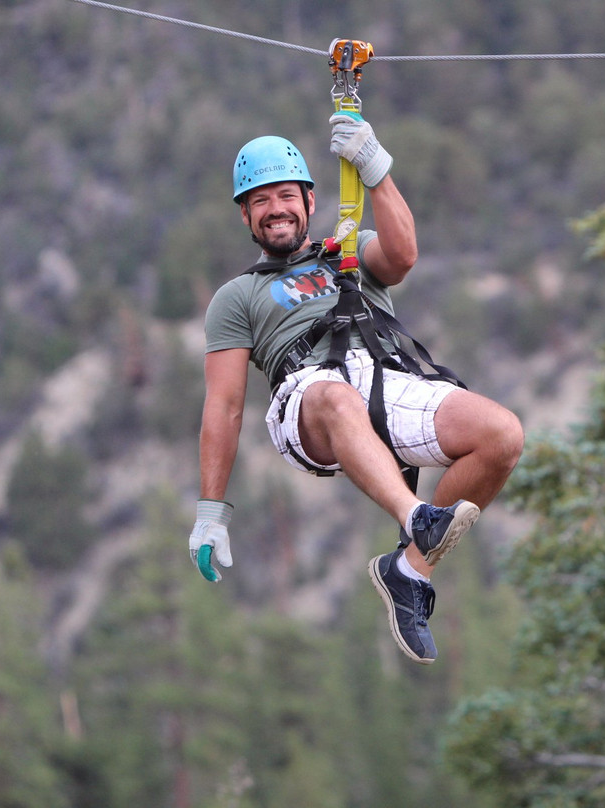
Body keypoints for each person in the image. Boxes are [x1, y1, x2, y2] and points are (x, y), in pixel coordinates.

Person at [188, 112, 524, 664]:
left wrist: (374, 166)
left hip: (383, 379)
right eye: (261, 201)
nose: (276, 209)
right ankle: (416, 517)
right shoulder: (236, 296)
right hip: (305, 401)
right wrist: (210, 511)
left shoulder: (347, 251)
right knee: (331, 395)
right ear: (245, 216)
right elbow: (223, 407)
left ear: (309, 201)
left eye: (285, 196)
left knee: (502, 435)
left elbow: (403, 255)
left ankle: (410, 569)